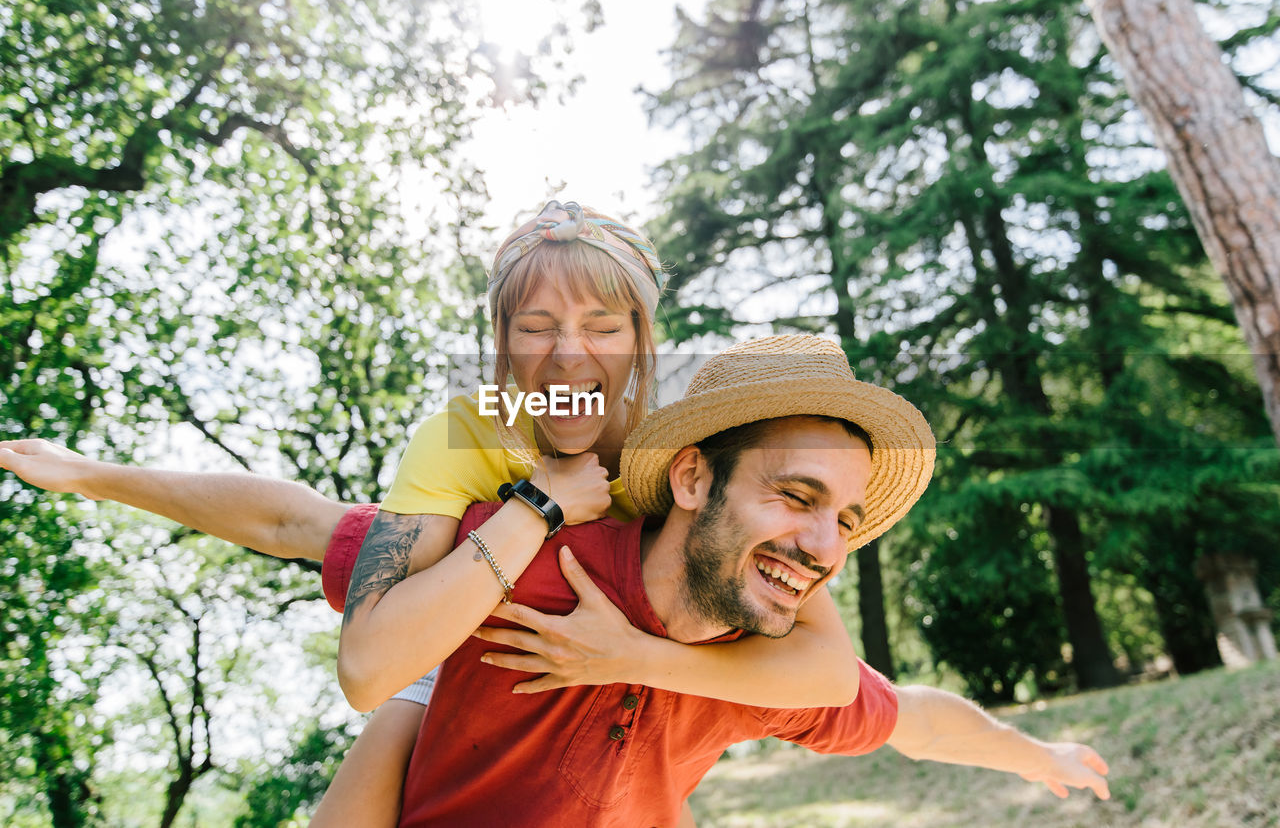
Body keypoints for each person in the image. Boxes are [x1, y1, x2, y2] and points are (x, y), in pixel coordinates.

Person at [0, 338, 1111, 821]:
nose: (825, 541)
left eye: (843, 517)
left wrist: (1032, 752)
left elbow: (901, 710)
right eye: (792, 493)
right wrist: (90, 474)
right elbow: (297, 519)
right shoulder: (522, 558)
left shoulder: (757, 664)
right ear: (690, 475)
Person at [0, 201, 861, 824]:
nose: (568, 353)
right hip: (457, 622)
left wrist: (627, 656)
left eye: (602, 324)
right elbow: (348, 624)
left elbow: (828, 669)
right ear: (499, 344)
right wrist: (537, 504)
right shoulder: (468, 432)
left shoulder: (688, 443)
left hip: (637, 655)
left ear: (641, 337)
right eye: (535, 326)